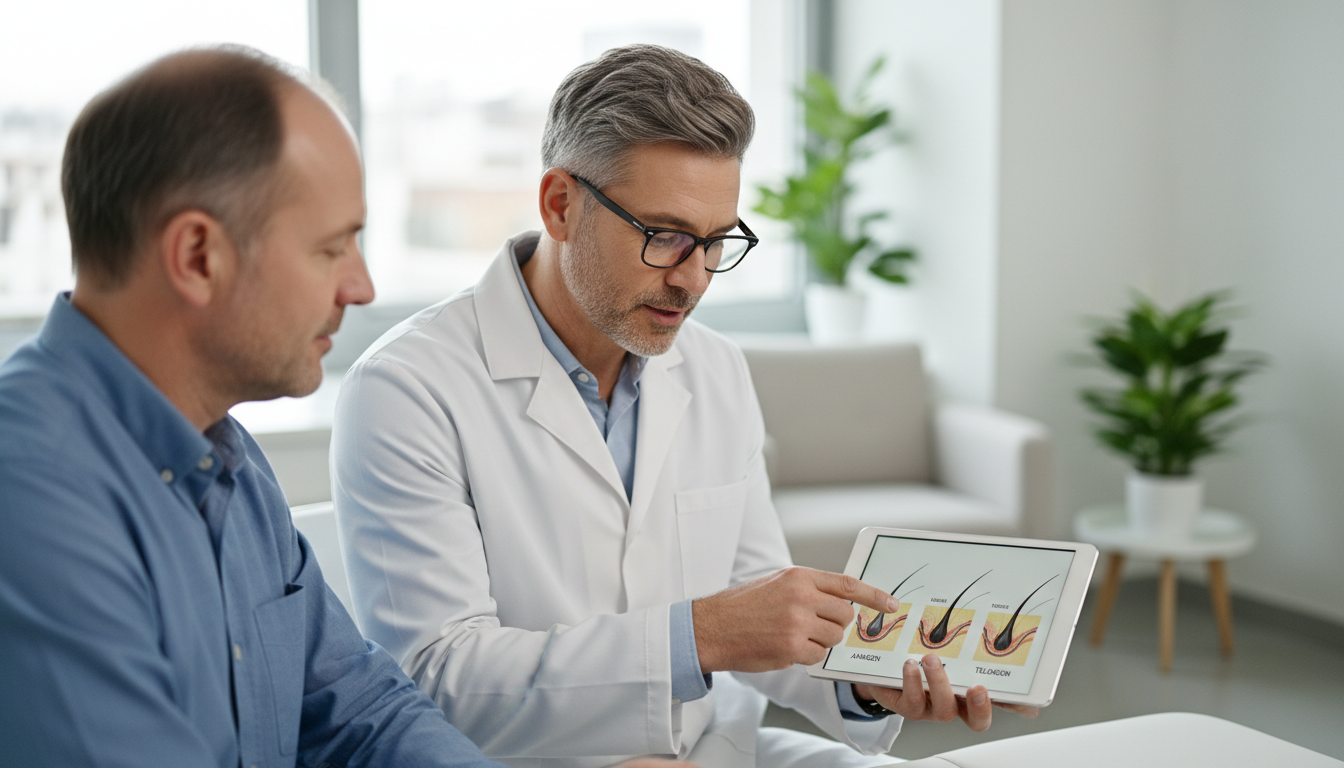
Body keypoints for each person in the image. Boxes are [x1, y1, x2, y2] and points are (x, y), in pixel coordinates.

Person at [331, 44, 1034, 768]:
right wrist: (697, 636)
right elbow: (437, 684)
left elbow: (756, 612)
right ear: (560, 205)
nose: (693, 279)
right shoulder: (406, 389)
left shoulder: (717, 368)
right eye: (665, 237)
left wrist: (867, 684)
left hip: (719, 747)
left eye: (716, 241)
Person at [0, 46, 692, 768]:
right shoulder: (31, 498)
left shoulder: (232, 466)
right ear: (199, 256)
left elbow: (359, 711)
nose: (360, 288)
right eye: (333, 249)